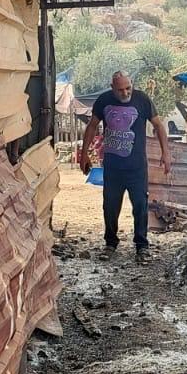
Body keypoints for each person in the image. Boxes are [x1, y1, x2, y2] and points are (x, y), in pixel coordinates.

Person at [79, 71, 172, 262]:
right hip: (113, 167)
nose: (125, 93)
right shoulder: (104, 100)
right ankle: (110, 243)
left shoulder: (142, 100)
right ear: (112, 88)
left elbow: (158, 125)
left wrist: (166, 152)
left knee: (140, 206)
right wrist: (84, 153)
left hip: (137, 167)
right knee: (110, 206)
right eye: (120, 90)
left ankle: (141, 246)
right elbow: (92, 126)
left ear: (132, 84)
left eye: (128, 88)